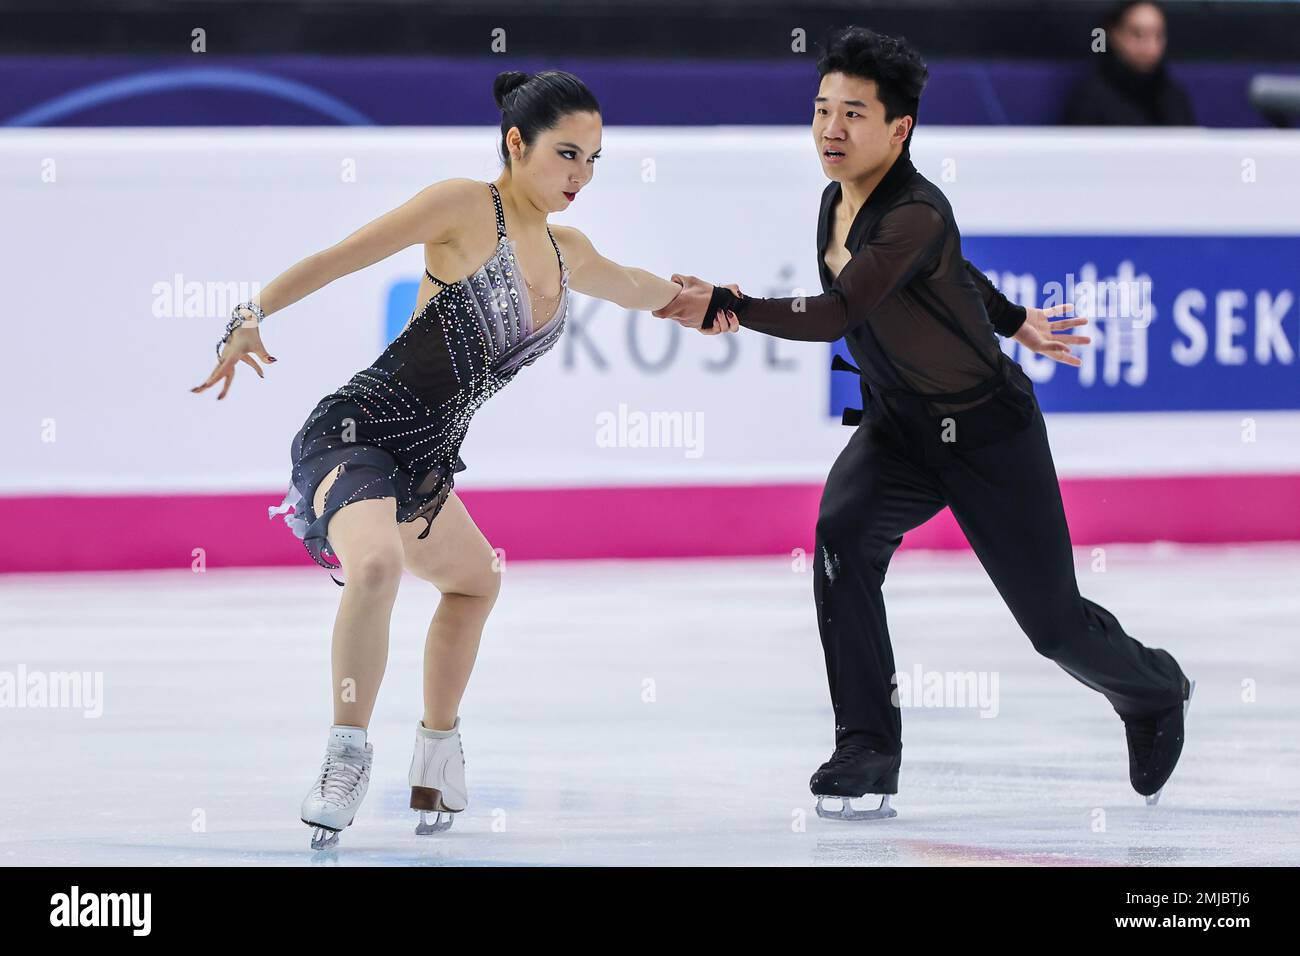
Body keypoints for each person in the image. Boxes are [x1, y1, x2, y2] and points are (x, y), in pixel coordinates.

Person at [655, 27, 1193, 820]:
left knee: (1055, 629)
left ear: (899, 129)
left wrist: (729, 303)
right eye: (822, 109)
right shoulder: (836, 201)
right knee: (841, 540)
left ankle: (1153, 689)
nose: (830, 129)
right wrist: (1014, 319)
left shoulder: (915, 212)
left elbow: (842, 309)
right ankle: (867, 747)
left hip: (987, 435)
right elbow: (957, 273)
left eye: (854, 115)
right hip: (899, 428)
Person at [190, 69, 736, 849]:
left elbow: (641, 287)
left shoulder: (566, 248)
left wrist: (715, 303)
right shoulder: (463, 207)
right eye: (566, 155)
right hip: (356, 434)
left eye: (594, 160)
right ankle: (346, 754)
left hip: (426, 461)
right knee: (375, 567)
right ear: (517, 144)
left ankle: (435, 756)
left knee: (476, 582)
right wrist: (248, 315)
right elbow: (343, 256)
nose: (580, 176)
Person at [1064, 1, 1196, 126]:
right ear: (1114, 35)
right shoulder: (1090, 99)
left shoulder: (1174, 98)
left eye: (1157, 35)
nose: (1149, 46)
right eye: (1137, 34)